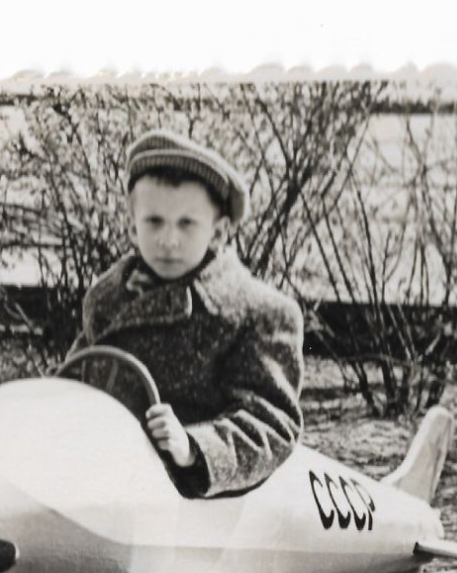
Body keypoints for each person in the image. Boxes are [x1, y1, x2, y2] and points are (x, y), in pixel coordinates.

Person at [71, 129, 304, 498]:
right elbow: (75, 378)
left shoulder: (257, 313)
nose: (168, 240)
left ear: (219, 232)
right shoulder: (107, 300)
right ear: (132, 224)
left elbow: (272, 423)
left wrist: (193, 447)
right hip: (103, 490)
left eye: (186, 223)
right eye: (154, 222)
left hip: (198, 504)